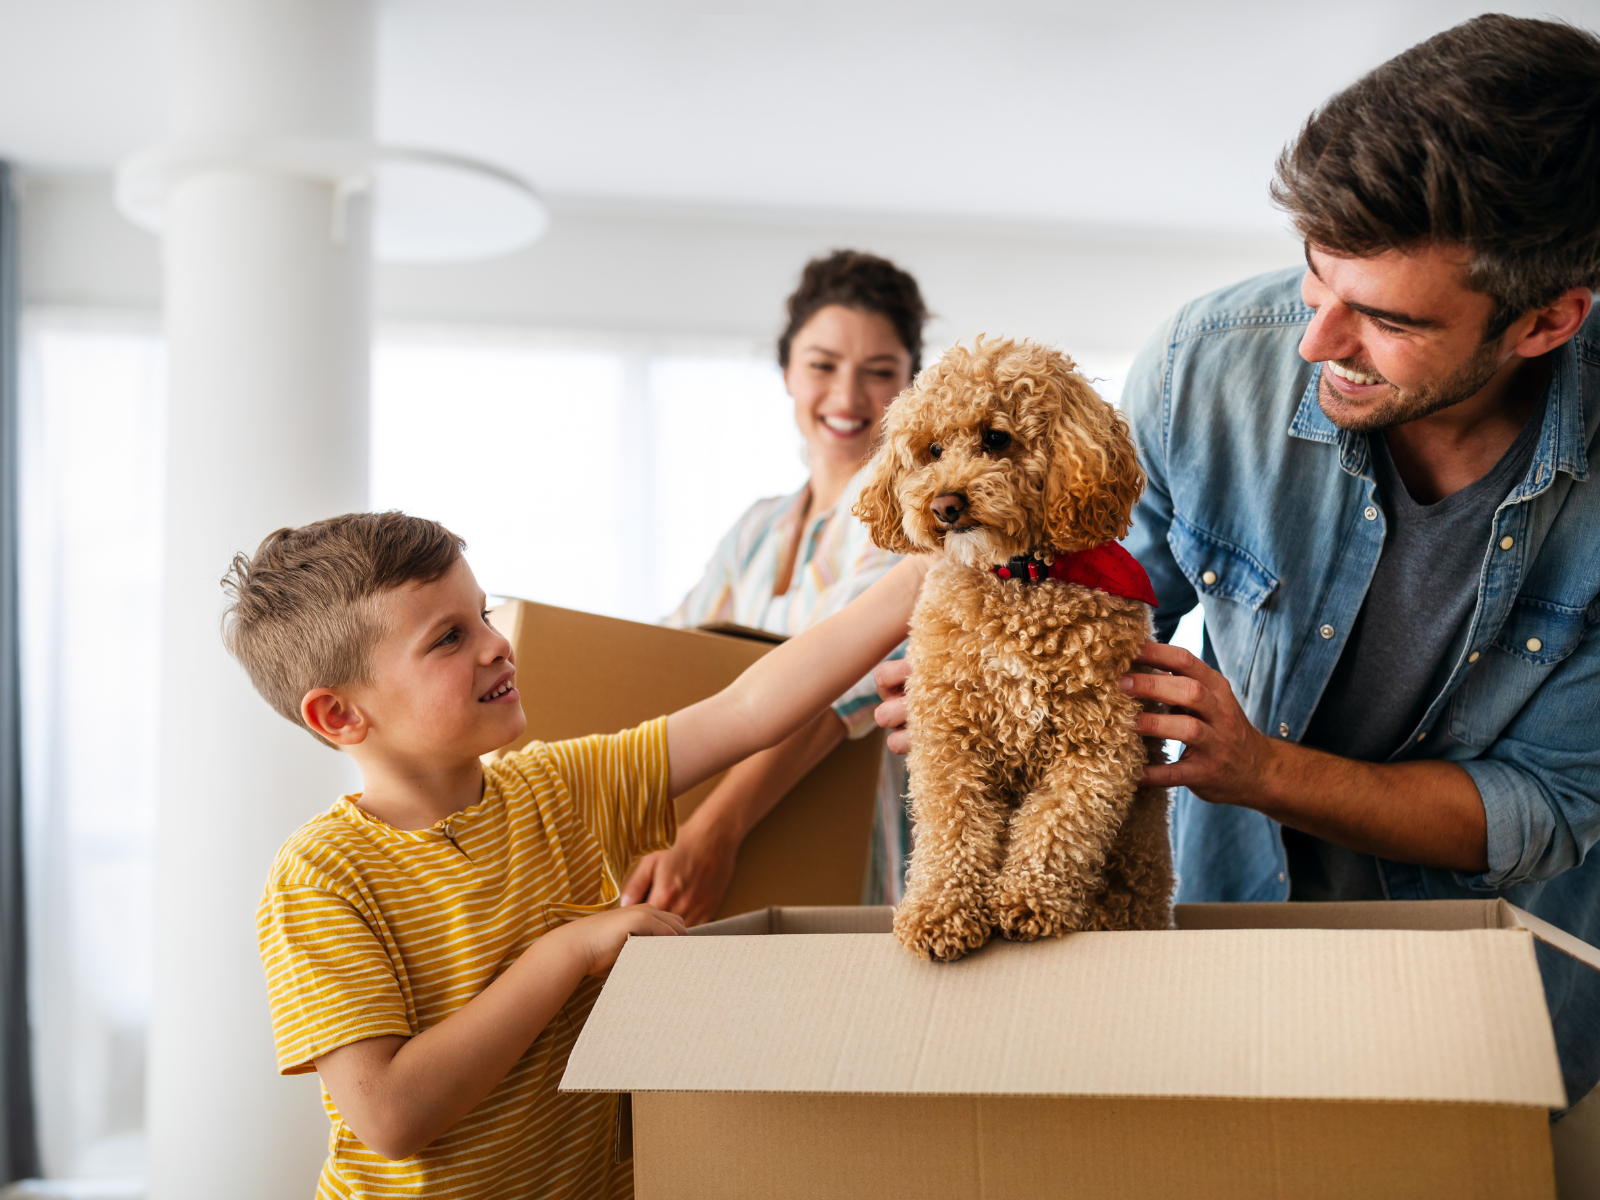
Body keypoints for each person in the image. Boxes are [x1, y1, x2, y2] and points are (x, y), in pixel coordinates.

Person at [876, 14, 1600, 1108]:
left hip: (1490, 997)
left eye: (1385, 319)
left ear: (1546, 322)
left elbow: (1541, 807)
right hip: (1222, 931)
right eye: (1315, 275)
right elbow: (1071, 575)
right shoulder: (1206, 367)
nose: (1313, 343)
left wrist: (1258, 768)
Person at [234, 512, 928, 1199]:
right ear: (340, 717)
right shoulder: (321, 876)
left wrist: (915, 580)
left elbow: (746, 710)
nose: (497, 644)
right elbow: (391, 1115)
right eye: (449, 638)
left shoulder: (560, 787)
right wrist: (566, 952)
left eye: (483, 614)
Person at [621, 250, 929, 921]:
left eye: (880, 373)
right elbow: (668, 650)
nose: (847, 399)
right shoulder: (757, 528)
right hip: (760, 870)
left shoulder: (917, 522)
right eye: (822, 366)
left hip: (863, 863)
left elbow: (840, 683)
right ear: (787, 369)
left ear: (912, 387)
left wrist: (714, 830)